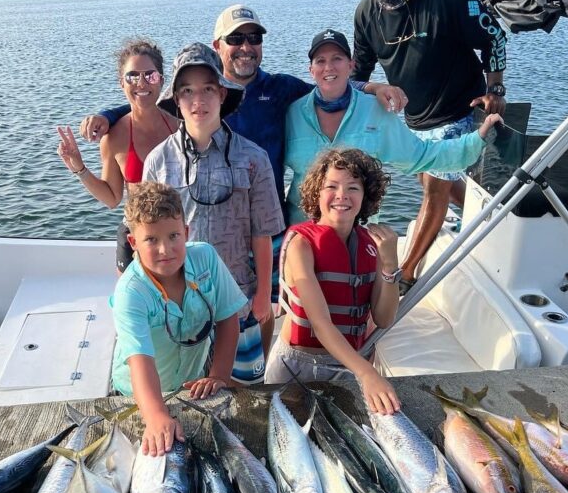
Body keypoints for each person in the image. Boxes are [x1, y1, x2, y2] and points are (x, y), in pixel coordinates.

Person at [78, 5, 406, 304]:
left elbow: (330, 86)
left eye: (253, 38)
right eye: (235, 38)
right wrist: (109, 115)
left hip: (270, 229)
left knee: (269, 310)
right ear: (218, 46)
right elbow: (152, 99)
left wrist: (373, 87)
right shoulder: (185, 112)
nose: (246, 46)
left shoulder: (281, 89)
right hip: (210, 241)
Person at [352, 0, 508, 294]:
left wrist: (495, 87)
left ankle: (404, 276)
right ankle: (495, 220)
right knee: (435, 180)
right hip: (414, 117)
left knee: (434, 190)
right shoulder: (365, 14)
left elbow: (495, 37)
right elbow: (358, 75)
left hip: (460, 107)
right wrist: (370, 95)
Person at [144, 42, 285, 386]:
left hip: (238, 295)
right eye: (188, 91)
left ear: (223, 94)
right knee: (185, 389)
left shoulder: (254, 158)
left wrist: (263, 296)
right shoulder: (157, 161)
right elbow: (145, 238)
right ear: (176, 100)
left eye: (208, 89)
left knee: (241, 389)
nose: (199, 100)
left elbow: (262, 233)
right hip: (178, 302)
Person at [284, 29, 502, 226]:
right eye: (320, 61)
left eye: (337, 59)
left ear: (351, 65)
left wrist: (477, 139)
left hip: (359, 235)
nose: (329, 67)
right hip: (302, 237)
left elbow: (422, 155)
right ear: (311, 70)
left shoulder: (375, 111)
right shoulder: (292, 113)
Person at [110, 182, 246, 456]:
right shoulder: (130, 292)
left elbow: (227, 319)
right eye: (151, 240)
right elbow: (140, 361)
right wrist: (156, 416)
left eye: (173, 236)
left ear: (186, 232)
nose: (165, 249)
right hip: (138, 393)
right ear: (133, 242)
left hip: (194, 382)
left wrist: (219, 374)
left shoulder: (206, 257)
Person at [264, 148, 401, 415]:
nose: (342, 195)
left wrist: (390, 265)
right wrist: (367, 374)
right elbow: (320, 322)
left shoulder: (371, 245)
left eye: (353, 187)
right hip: (296, 366)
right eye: (332, 186)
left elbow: (383, 318)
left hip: (349, 365)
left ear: (366, 196)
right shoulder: (301, 244)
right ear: (317, 192)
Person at [56, 39, 178, 272]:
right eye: (132, 76)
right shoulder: (113, 137)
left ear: (161, 80)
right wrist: (79, 168)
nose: (141, 83)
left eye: (150, 75)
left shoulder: (180, 126)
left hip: (176, 238)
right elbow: (112, 198)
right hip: (134, 238)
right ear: (121, 83)